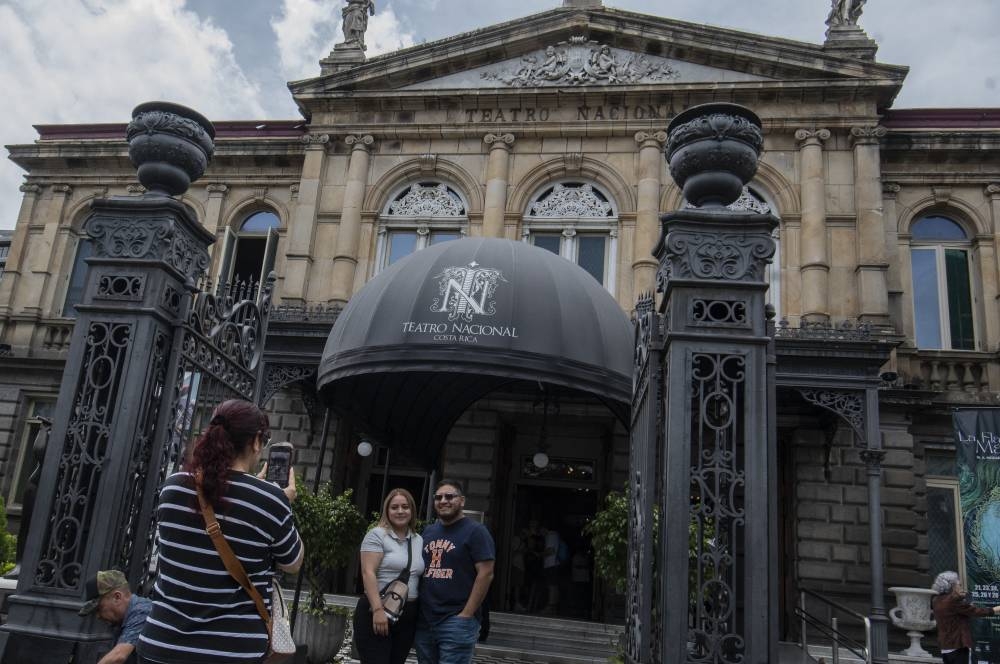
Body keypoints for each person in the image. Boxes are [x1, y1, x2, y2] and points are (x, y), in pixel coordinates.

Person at [137, 399, 303, 664]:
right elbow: (293, 563)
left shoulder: (173, 487)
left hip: (162, 644)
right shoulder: (271, 499)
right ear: (257, 441)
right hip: (231, 651)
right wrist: (280, 502)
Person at [415, 479, 495, 664]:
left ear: (462, 501)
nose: (443, 500)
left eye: (449, 496)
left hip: (455, 620)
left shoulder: (476, 531)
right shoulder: (428, 531)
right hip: (425, 621)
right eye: (438, 497)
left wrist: (466, 614)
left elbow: (486, 573)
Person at [354, 488, 425, 664]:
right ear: (387, 510)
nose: (400, 511)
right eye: (394, 507)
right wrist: (378, 610)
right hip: (378, 610)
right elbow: (367, 572)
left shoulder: (418, 539)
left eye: (405, 507)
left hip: (407, 616)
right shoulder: (377, 534)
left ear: (412, 510)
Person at [79, 570, 152, 664]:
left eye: (99, 608)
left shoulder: (143, 611)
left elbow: (118, 657)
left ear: (117, 597)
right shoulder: (121, 620)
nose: (97, 616)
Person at [931, 570, 1000, 664]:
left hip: (945, 646)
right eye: (959, 584)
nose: (960, 587)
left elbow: (955, 613)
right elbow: (976, 611)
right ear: (953, 586)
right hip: (957, 645)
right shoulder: (953, 601)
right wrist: (995, 609)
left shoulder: (936, 600)